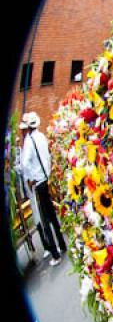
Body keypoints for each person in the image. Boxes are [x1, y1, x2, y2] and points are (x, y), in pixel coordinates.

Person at [19, 112, 67, 266]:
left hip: (38, 182)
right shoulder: (40, 137)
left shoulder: (29, 141)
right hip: (46, 178)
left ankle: (55, 254)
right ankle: (62, 245)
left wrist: (31, 178)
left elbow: (25, 164)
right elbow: (47, 156)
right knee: (52, 216)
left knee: (44, 220)